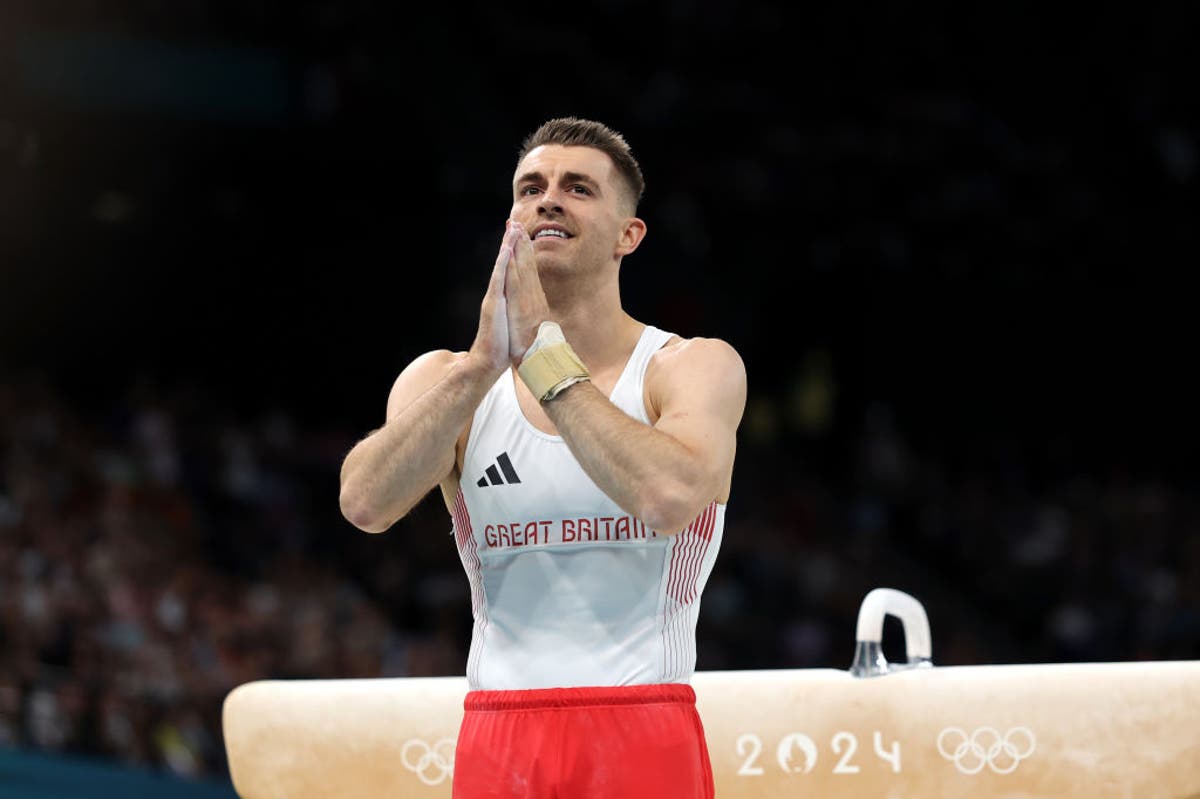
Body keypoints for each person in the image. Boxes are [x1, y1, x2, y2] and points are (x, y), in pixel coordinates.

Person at [338, 117, 746, 798]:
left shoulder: (688, 367)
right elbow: (364, 502)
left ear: (628, 235)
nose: (548, 199)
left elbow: (669, 498)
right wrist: (480, 367)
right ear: (510, 223)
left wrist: (545, 361)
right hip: (499, 736)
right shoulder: (449, 379)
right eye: (530, 188)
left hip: (642, 723)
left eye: (578, 187)